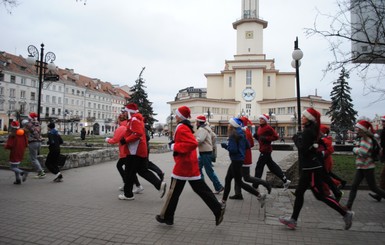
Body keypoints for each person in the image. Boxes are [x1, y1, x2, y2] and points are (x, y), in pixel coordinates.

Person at [279, 108, 354, 230]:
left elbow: (303, 150)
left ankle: (345, 213)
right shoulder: (311, 130)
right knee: (299, 193)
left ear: (309, 119)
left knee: (320, 196)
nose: (301, 118)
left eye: (304, 116)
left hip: (311, 169)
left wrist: (296, 140)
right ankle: (293, 220)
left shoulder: (309, 131)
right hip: (309, 167)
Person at [156, 106, 225, 226]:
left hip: (183, 165)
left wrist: (174, 147)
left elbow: (192, 143)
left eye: (177, 114)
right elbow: (188, 140)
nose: (176, 116)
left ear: (180, 116)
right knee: (200, 189)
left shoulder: (182, 127)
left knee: (173, 192)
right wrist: (175, 143)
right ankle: (217, 210)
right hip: (190, 163)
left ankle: (166, 217)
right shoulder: (187, 126)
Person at [119, 103, 166, 200]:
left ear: (129, 112)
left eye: (125, 111)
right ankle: (159, 184)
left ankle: (128, 195)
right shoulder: (137, 119)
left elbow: (138, 133)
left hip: (134, 151)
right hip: (139, 150)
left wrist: (126, 140)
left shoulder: (134, 120)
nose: (123, 113)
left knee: (129, 173)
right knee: (142, 171)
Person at [221, 117, 266, 208]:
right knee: (228, 179)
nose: (228, 125)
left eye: (229, 124)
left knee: (239, 182)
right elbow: (248, 145)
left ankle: (259, 195)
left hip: (235, 160)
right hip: (239, 160)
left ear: (232, 125)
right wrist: (240, 148)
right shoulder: (242, 133)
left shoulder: (233, 135)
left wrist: (225, 146)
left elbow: (233, 150)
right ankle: (223, 201)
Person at [345, 120, 385, 209]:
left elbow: (363, 152)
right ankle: (348, 206)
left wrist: (355, 150)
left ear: (362, 129)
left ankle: (348, 206)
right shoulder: (365, 138)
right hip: (362, 166)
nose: (356, 129)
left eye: (357, 128)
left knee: (373, 187)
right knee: (354, 186)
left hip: (367, 167)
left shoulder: (366, 139)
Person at [231, 116, 271, 200]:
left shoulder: (244, 132)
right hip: (244, 157)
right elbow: (251, 144)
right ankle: (238, 194)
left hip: (243, 157)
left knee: (246, 177)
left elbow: (248, 144)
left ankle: (264, 183)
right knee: (239, 176)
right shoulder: (246, 131)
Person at [253, 114, 291, 190]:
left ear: (265, 120)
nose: (260, 120)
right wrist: (257, 137)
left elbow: (276, 137)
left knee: (259, 167)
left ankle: (255, 186)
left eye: (262, 119)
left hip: (266, 150)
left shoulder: (268, 127)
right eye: (260, 118)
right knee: (272, 167)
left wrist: (266, 138)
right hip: (264, 149)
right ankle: (285, 180)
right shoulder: (260, 127)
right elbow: (261, 139)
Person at [194, 115, 224, 194]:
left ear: (199, 122)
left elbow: (200, 139)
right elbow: (214, 136)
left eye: (196, 121)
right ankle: (202, 185)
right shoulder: (207, 128)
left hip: (205, 152)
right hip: (205, 152)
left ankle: (218, 186)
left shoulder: (202, 129)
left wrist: (191, 142)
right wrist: (212, 145)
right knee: (198, 167)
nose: (195, 123)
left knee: (209, 171)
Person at [368, 115, 385, 201]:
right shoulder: (383, 131)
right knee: (383, 176)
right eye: (382, 121)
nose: (382, 123)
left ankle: (380, 195)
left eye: (384, 121)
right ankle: (380, 195)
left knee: (383, 176)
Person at [24, 112, 45, 179]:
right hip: (39, 142)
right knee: (35, 158)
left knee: (33, 159)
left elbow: (26, 130)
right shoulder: (38, 123)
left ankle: (41, 172)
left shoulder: (29, 124)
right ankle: (41, 171)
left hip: (33, 142)